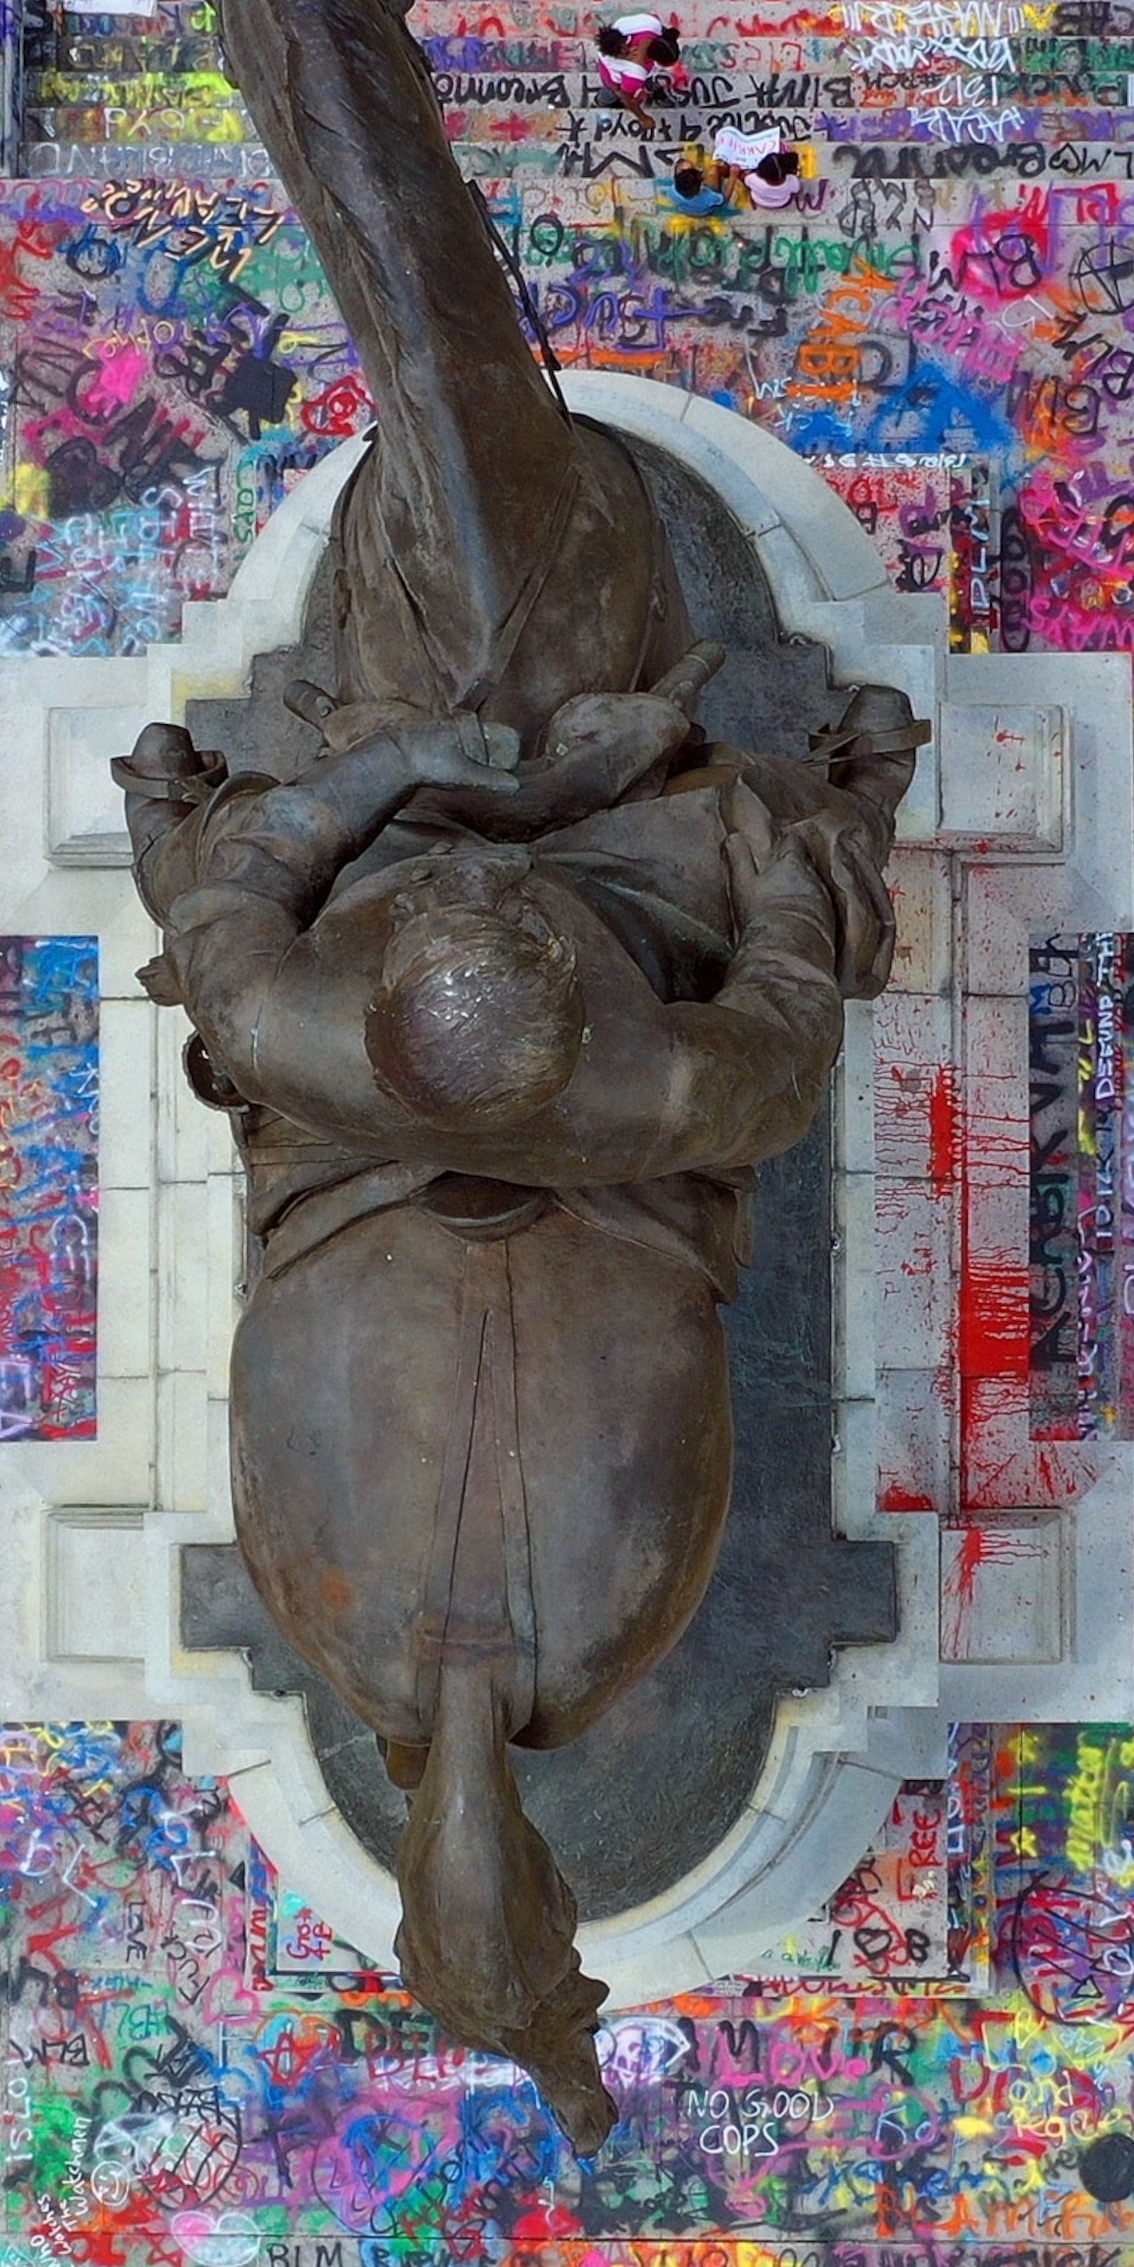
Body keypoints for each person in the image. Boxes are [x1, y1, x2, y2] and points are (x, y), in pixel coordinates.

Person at [113, 656, 921, 2146]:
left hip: (364, 1147)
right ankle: (869, 786)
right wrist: (789, 874)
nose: (491, 877)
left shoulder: (291, 1020)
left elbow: (243, 887)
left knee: (188, 895)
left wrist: (394, 761)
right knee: (798, 846)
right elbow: (794, 995)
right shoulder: (667, 1085)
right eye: (475, 908)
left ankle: (160, 803)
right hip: (606, 1154)